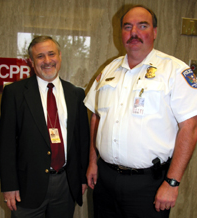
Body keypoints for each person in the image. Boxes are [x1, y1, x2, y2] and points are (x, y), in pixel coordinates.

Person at [84, 4, 197, 218]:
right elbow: (96, 116)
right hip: (105, 179)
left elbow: (190, 128)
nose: (133, 32)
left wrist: (172, 182)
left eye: (142, 26)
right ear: (121, 33)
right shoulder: (109, 70)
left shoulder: (174, 71)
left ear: (154, 32)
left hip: (149, 185)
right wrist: (92, 161)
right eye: (127, 27)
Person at [0, 35, 90, 218]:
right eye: (40, 56)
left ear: (60, 56)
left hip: (65, 184)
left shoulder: (76, 94)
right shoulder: (15, 93)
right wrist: (9, 186)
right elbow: (7, 145)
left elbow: (82, 141)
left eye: (51, 54)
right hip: (27, 186)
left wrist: (81, 178)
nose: (47, 61)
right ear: (32, 62)